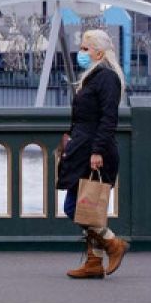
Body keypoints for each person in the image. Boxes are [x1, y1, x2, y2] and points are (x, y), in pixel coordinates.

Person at [56, 29, 129, 279]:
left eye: (86, 48)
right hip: (83, 150)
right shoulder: (93, 76)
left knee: (75, 206)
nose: (82, 52)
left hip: (95, 152)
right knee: (89, 209)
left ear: (99, 52)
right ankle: (94, 262)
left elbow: (109, 118)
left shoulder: (106, 77)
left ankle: (112, 243)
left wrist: (97, 151)